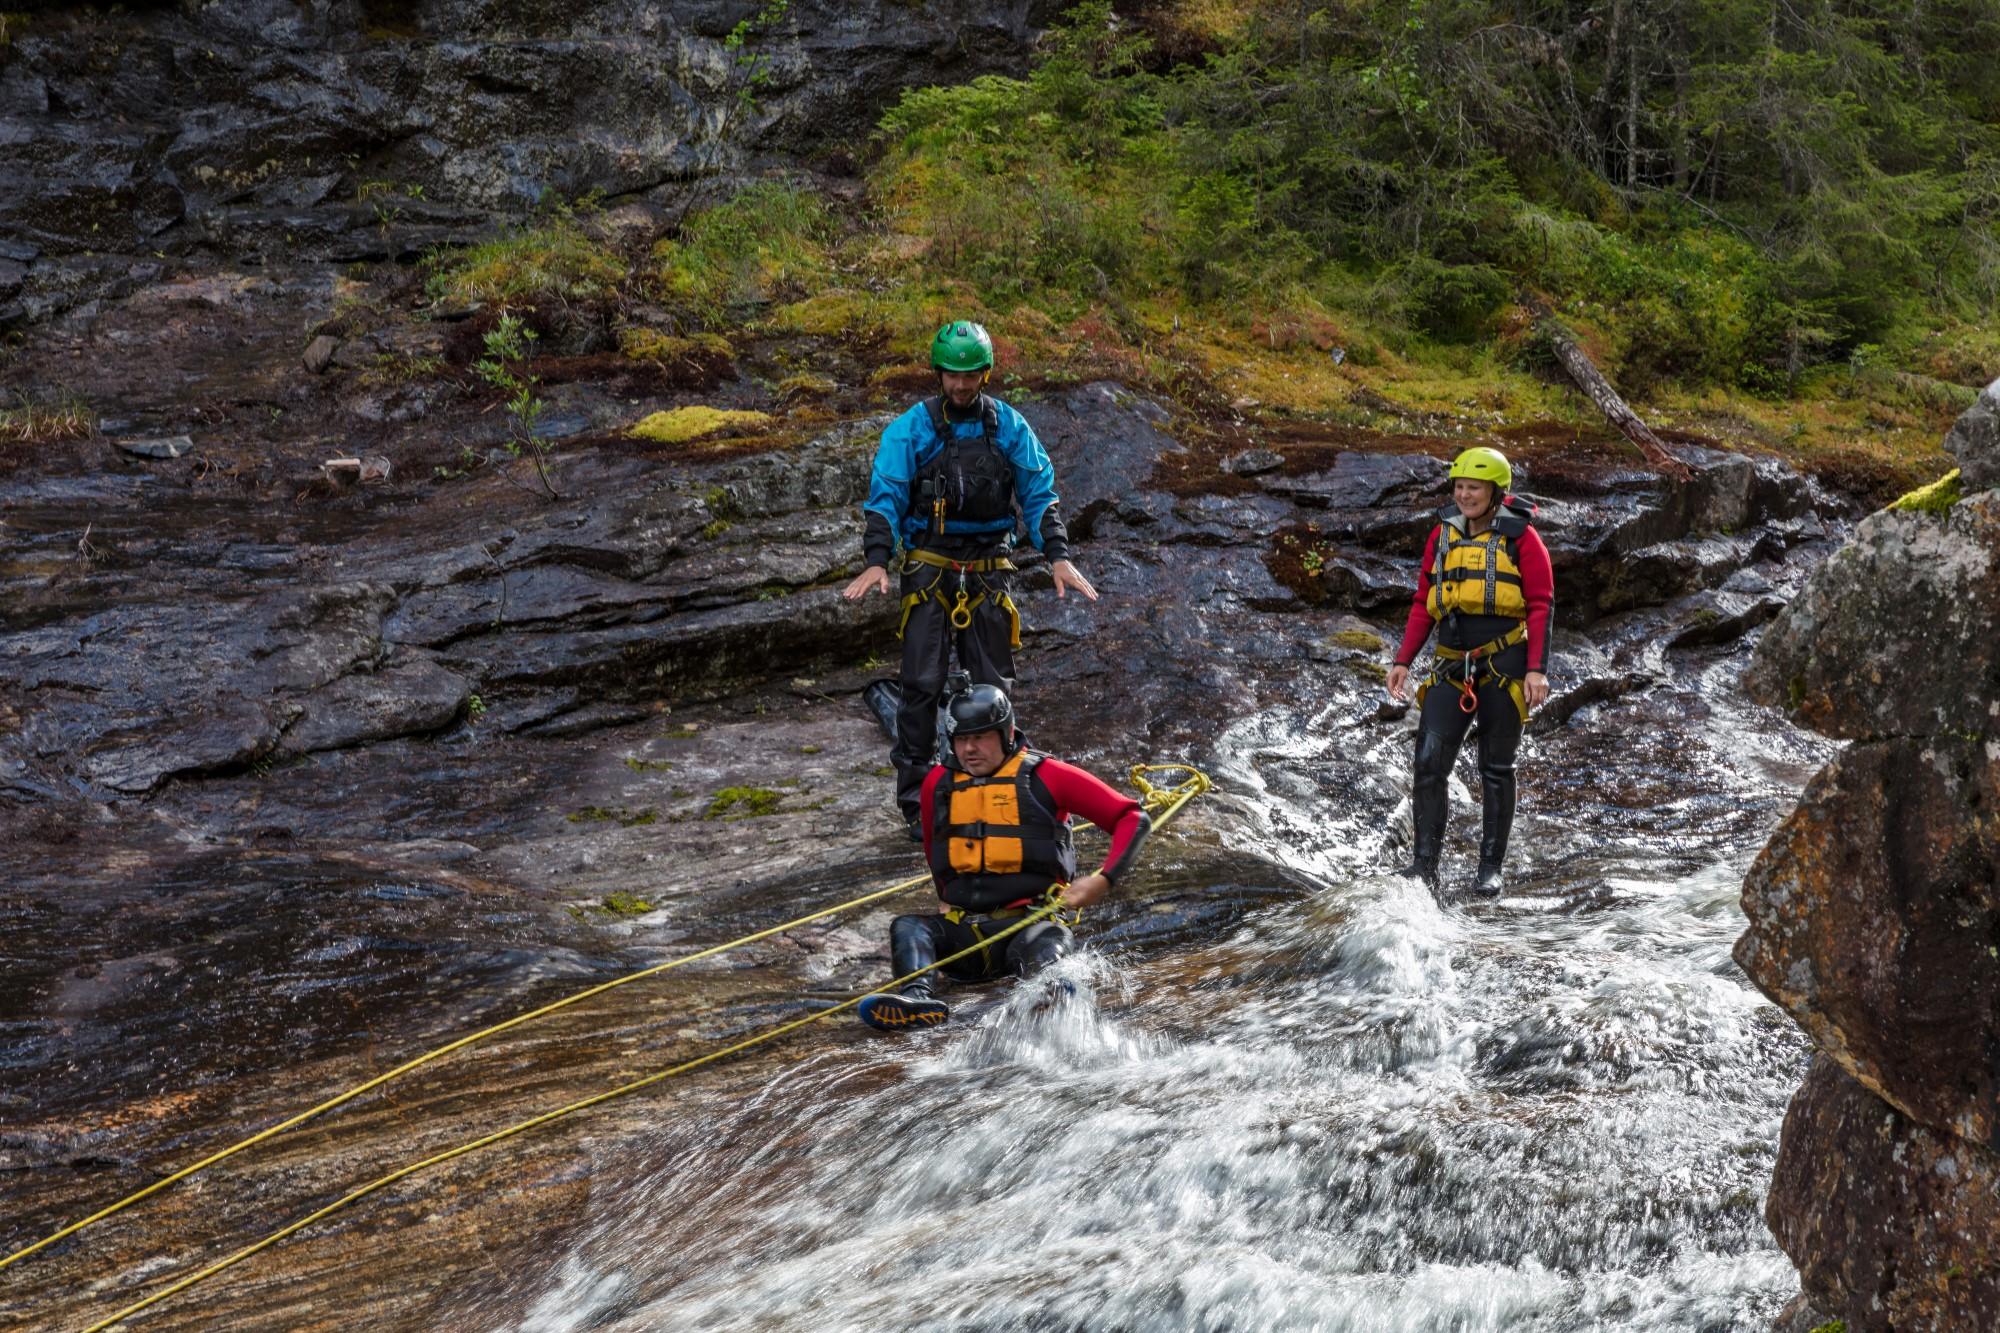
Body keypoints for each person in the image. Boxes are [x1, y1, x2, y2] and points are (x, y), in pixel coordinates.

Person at [842, 320, 1098, 841]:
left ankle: (1004, 789)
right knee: (920, 687)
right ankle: (918, 804)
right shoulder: (910, 430)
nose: (961, 385)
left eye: (971, 375)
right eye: (953, 375)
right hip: (929, 570)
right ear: (939, 373)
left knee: (992, 689)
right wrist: (876, 559)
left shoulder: (1009, 427)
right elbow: (886, 495)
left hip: (987, 573)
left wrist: (1057, 555)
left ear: (985, 373)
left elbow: (1038, 492)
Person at [857, 677, 1150, 1031]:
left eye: (980, 737)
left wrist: (1104, 879)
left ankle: (1046, 1002)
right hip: (964, 936)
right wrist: (946, 898)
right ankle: (918, 1000)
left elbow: (1131, 817)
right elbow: (937, 850)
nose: (969, 749)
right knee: (908, 927)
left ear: (1006, 732)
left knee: (1050, 945)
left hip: (1026, 930)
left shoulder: (1049, 776)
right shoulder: (939, 782)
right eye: (962, 739)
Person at [1385, 447, 1553, 897]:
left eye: (1473, 488)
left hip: (1505, 662)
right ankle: (1424, 867)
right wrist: (1404, 659)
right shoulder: (1442, 535)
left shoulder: (1522, 538)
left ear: (1497, 492)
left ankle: (1490, 868)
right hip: (1449, 663)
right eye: (1459, 487)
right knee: (1428, 763)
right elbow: (1424, 601)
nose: (1464, 495)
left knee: (1496, 767)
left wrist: (1536, 670)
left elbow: (1540, 605)